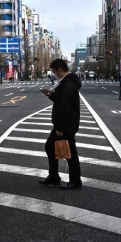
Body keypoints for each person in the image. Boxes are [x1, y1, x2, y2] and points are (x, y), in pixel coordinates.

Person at [39, 59, 82, 190]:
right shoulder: (67, 83)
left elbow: (64, 107)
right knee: (51, 147)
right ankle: (54, 177)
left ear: (59, 70)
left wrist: (59, 128)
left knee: (70, 154)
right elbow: (61, 102)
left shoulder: (68, 85)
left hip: (66, 125)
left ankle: (75, 181)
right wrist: (52, 95)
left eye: (53, 71)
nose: (54, 74)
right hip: (66, 123)